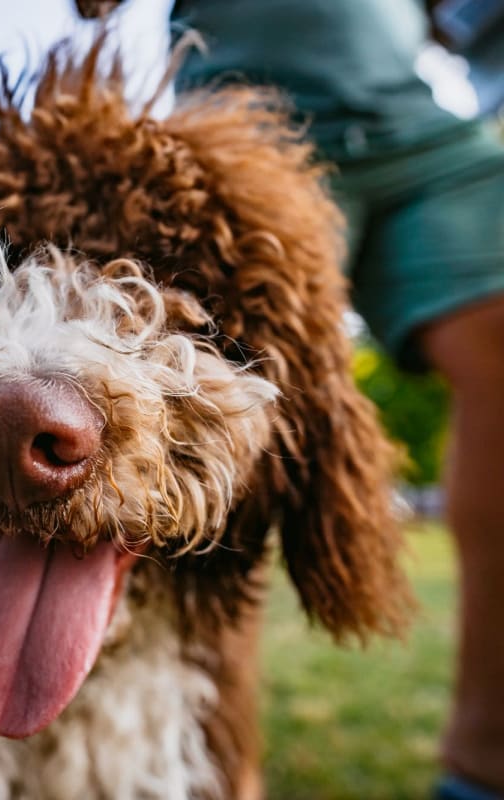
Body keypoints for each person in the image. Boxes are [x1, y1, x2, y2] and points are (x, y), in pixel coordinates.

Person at [73, 1, 504, 797]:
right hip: (239, 122)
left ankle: (486, 763)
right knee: (223, 417)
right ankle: (208, 763)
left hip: (410, 122)